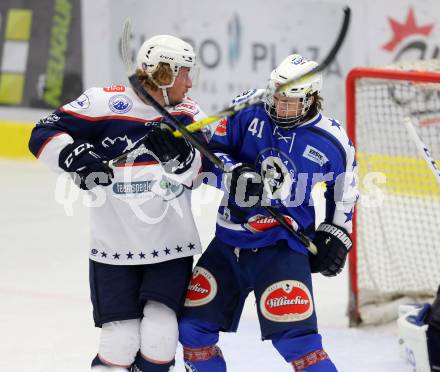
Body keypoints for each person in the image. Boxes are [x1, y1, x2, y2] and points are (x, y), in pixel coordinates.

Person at [28, 34, 209, 371]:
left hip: (170, 244)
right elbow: (42, 132)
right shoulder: (103, 103)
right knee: (120, 338)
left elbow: (201, 174)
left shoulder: (188, 114)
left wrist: (181, 158)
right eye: (184, 72)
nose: (190, 81)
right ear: (163, 74)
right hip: (114, 245)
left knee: (161, 332)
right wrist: (75, 155)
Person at [178, 54, 359, 371]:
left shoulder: (332, 139)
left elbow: (344, 193)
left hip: (282, 249)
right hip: (229, 243)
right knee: (192, 329)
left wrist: (336, 235)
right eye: (277, 99)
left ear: (311, 99)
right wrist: (234, 176)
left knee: (299, 344)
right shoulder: (246, 110)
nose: (280, 107)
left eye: (290, 102)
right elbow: (211, 155)